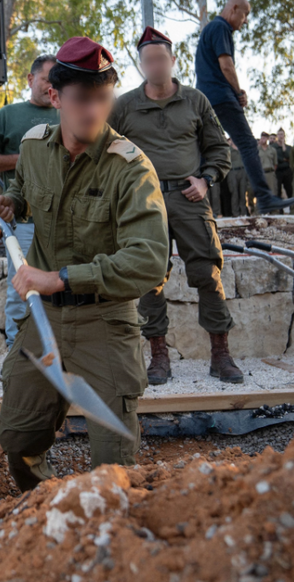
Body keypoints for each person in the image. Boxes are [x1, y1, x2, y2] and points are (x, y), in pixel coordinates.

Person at [0, 36, 168, 491]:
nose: (93, 112)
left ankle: (107, 541)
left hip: (105, 321)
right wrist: (12, 203)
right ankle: (47, 510)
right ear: (54, 97)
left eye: (104, 99)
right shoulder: (34, 147)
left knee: (112, 466)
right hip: (45, 323)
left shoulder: (131, 168)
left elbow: (149, 262)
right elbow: (27, 192)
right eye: (82, 99)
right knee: (18, 441)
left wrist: (60, 278)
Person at [109, 26, 239, 385]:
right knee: (149, 278)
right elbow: (103, 148)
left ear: (172, 60)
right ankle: (159, 357)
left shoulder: (196, 101)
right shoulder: (124, 106)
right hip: (144, 203)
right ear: (141, 65)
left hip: (189, 197)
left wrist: (206, 179)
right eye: (148, 60)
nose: (155, 65)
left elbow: (218, 149)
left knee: (208, 275)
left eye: (160, 59)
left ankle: (221, 354)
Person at [0, 53, 60, 346]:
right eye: (46, 80)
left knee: (64, 289)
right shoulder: (8, 115)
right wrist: (27, 158)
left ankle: (58, 354)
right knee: (21, 291)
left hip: (65, 222)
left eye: (57, 81)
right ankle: (17, 352)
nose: (51, 87)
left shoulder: (69, 111)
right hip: (24, 223)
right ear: (30, 79)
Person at [195, 0, 294, 215]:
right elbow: (226, 66)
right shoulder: (221, 27)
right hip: (221, 97)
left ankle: (189, 202)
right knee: (249, 145)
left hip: (205, 100)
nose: (246, 21)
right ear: (233, 9)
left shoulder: (209, 30)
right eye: (245, 14)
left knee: (204, 151)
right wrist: (239, 92)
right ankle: (264, 197)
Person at [227, 140, 249, 216]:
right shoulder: (228, 149)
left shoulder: (242, 148)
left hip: (242, 171)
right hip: (232, 171)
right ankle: (235, 213)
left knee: (243, 192)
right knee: (234, 193)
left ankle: (243, 213)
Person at [274, 128, 292, 199]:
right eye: (279, 134)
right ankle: (280, 210)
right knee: (278, 191)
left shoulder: (288, 147)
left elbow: (288, 156)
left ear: (284, 136)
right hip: (278, 171)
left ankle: (292, 209)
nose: (280, 136)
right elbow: (276, 158)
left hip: (287, 171)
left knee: (289, 190)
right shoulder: (273, 147)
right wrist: (283, 159)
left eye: (282, 134)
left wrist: (283, 145)